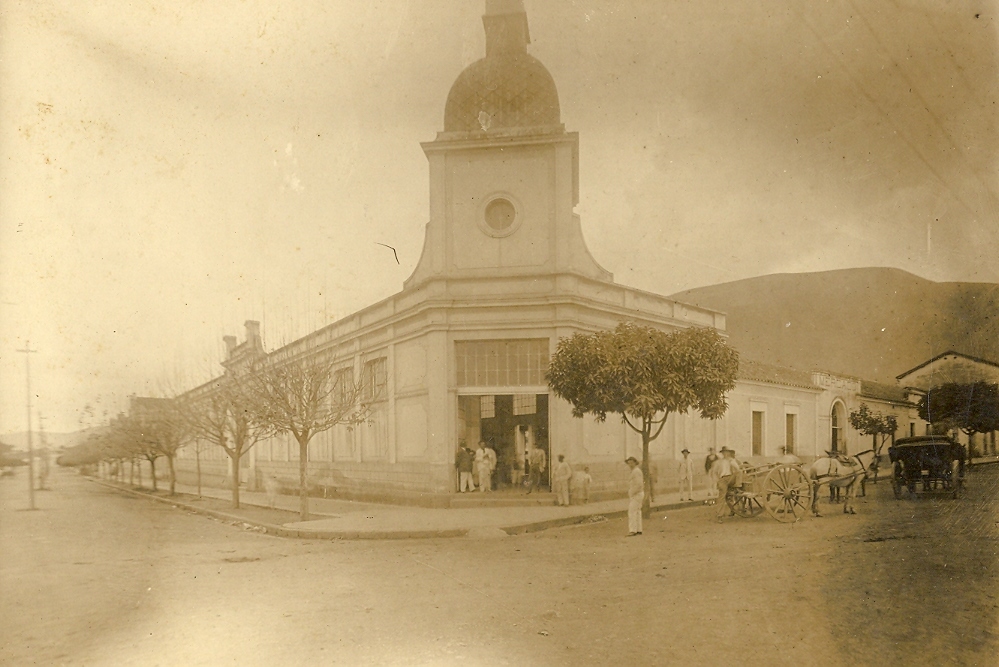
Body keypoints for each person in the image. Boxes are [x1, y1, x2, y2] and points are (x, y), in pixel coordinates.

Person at [715, 447, 742, 522]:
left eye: (726, 452)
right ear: (723, 453)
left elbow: (737, 469)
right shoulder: (722, 461)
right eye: (724, 452)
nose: (725, 454)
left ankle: (724, 514)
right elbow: (737, 469)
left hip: (728, 478)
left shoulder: (729, 461)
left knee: (724, 496)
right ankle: (722, 514)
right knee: (723, 497)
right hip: (724, 479)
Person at [626, 456, 644, 536]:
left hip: (637, 494)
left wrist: (632, 492)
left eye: (631, 463)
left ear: (635, 462)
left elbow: (639, 484)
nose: (630, 464)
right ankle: (638, 529)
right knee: (637, 511)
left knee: (632, 512)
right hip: (638, 493)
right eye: (629, 463)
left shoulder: (636, 471)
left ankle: (633, 530)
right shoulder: (635, 471)